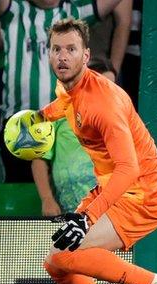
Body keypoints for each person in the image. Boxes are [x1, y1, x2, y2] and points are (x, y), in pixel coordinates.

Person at [38, 18, 157, 284]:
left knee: (65, 255)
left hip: (143, 193)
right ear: (48, 54)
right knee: (55, 263)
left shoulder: (103, 104)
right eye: (56, 49)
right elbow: (63, 105)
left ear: (85, 55)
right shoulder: (69, 89)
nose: (62, 56)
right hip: (115, 188)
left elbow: (128, 169)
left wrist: (85, 217)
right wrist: (35, 120)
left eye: (71, 49)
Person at [0, 0, 124, 183]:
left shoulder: (75, 11)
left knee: (62, 193)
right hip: (20, 127)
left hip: (64, 128)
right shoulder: (13, 9)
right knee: (20, 192)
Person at [32, 60, 117, 216]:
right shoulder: (57, 115)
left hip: (107, 214)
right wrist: (47, 199)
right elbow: (39, 160)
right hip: (67, 214)